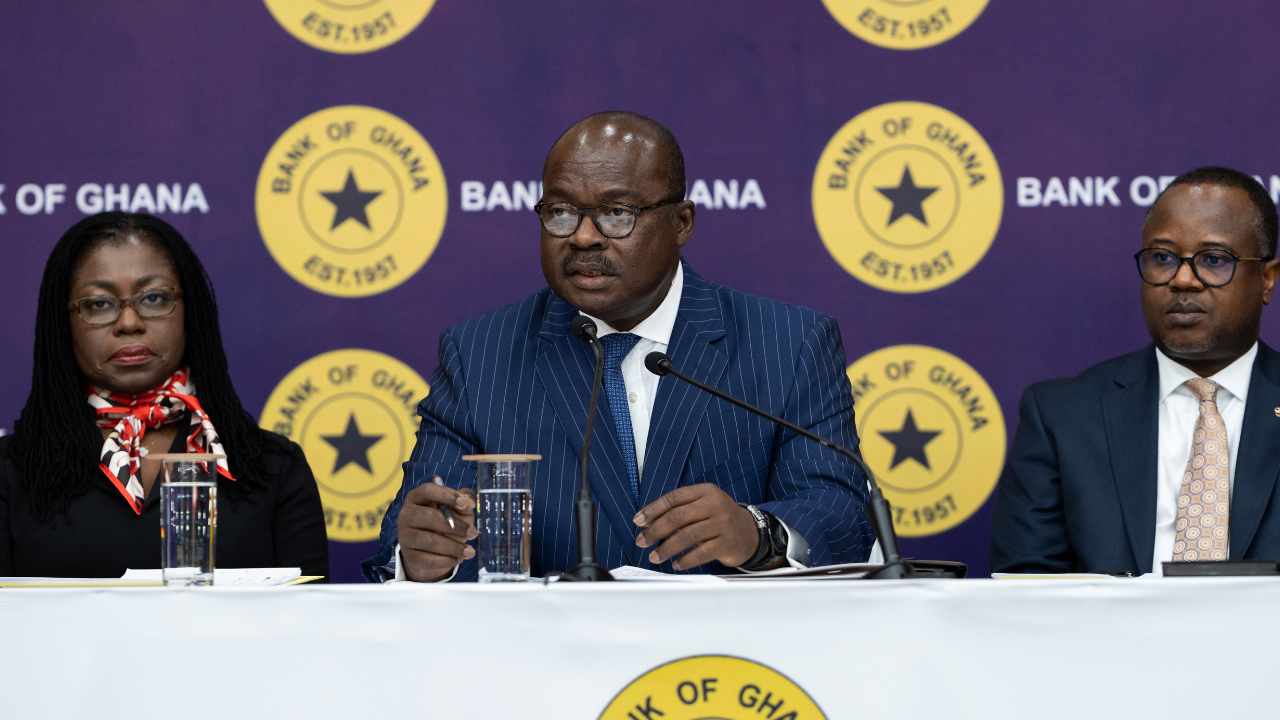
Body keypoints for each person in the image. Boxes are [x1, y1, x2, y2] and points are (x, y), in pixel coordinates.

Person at [364, 111, 871, 582]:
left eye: (617, 212)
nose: (583, 237)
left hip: (730, 654)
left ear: (682, 223)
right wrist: (424, 557)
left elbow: (840, 514)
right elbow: (421, 530)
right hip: (544, 658)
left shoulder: (789, 343)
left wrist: (757, 533)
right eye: (560, 211)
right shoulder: (479, 355)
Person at [0, 212, 329, 579]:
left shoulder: (273, 467)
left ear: (190, 311)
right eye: (98, 303)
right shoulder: (9, 471)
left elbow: (309, 626)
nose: (129, 322)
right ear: (63, 323)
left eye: (154, 297)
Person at [990, 166, 1280, 574]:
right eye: (1162, 258)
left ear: (1267, 279)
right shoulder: (1061, 416)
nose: (1182, 279)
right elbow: (1026, 587)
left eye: (1214, 260)